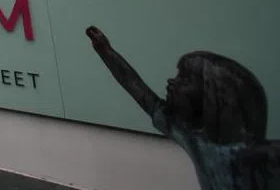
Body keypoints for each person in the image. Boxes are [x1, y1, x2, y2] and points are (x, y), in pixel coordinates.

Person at [86, 26, 279, 189]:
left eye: (184, 79)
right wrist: (106, 52)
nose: (172, 82)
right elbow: (139, 91)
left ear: (211, 94)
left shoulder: (262, 156)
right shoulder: (193, 137)